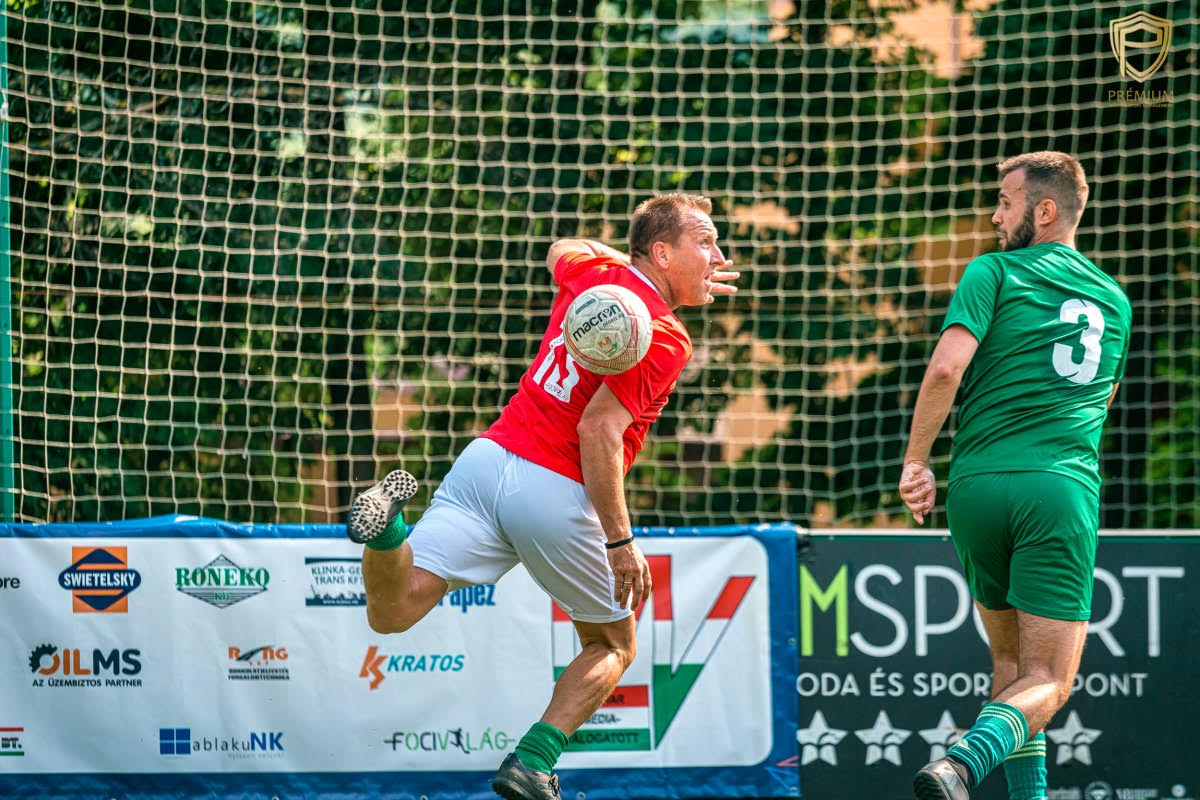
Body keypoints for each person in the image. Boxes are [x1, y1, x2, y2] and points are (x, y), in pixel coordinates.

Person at [346, 193, 738, 800]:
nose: (718, 256)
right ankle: (532, 763)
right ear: (662, 253)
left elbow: (562, 248)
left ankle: (389, 530)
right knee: (612, 644)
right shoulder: (664, 335)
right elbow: (598, 432)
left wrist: (623, 261)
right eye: (706, 242)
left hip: (488, 460)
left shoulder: (595, 273)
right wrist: (621, 541)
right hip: (553, 488)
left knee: (392, 611)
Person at [898, 151, 1131, 800]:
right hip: (1055, 491)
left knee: (1011, 669)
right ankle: (963, 764)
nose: (996, 217)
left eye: (1006, 202)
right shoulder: (1114, 301)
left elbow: (946, 369)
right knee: (1048, 680)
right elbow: (1098, 409)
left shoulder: (992, 272)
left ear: (1046, 210)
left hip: (975, 491)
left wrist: (917, 461)